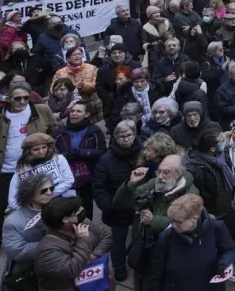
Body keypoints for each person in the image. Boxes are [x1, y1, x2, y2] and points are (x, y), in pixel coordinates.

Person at [0, 80, 56, 249]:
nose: (22, 102)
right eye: (18, 98)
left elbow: (53, 132)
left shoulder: (41, 110)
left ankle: (41, 244)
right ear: (9, 98)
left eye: (26, 98)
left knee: (38, 208)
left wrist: (49, 156)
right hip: (1, 173)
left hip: (33, 172)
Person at [113, 154, 200, 288]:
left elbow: (191, 225)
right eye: (159, 171)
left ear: (179, 174)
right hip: (144, 248)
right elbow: (120, 204)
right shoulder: (153, 184)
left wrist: (154, 221)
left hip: (170, 253)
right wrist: (131, 184)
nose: (160, 176)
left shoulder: (190, 194)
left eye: (166, 172)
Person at [185, 128, 235, 279]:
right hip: (213, 215)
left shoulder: (220, 156)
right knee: (219, 246)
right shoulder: (196, 167)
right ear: (212, 148)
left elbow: (229, 170)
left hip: (227, 209)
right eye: (221, 141)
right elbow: (197, 195)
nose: (225, 143)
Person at [144, 194, 235, 291]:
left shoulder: (216, 228)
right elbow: (155, 274)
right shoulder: (166, 237)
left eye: (178, 222)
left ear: (194, 218)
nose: (173, 225)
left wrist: (224, 263)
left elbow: (229, 249)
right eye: (172, 221)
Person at [93, 120, 141, 282]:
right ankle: (119, 268)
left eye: (129, 135)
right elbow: (99, 187)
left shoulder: (143, 153)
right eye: (121, 137)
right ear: (115, 138)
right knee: (118, 241)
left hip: (139, 205)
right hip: (117, 208)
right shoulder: (106, 160)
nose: (126, 139)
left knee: (139, 236)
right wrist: (109, 206)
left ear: (134, 136)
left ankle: (137, 261)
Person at [34, 196, 113, 291]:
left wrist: (92, 256)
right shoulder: (47, 250)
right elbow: (71, 270)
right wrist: (83, 241)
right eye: (77, 211)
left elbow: (105, 237)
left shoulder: (83, 222)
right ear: (65, 219)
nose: (82, 211)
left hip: (96, 283)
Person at [53, 102, 107, 219]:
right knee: (67, 204)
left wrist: (81, 153)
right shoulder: (59, 132)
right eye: (73, 111)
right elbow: (53, 152)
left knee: (86, 204)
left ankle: (87, 228)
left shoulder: (94, 131)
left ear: (87, 114)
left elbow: (102, 151)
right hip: (66, 175)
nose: (74, 114)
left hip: (88, 175)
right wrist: (64, 156)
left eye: (78, 111)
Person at [2, 174, 49, 288]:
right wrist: (52, 245)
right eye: (43, 190)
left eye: (51, 188)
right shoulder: (13, 221)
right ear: (30, 195)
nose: (49, 192)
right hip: (28, 272)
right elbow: (18, 251)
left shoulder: (57, 208)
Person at [7, 133, 75, 209]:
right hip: (34, 210)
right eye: (36, 149)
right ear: (28, 151)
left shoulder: (59, 159)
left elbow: (69, 180)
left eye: (44, 147)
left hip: (61, 202)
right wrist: (31, 207)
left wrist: (45, 196)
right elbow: (12, 201)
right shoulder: (22, 169)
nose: (41, 152)